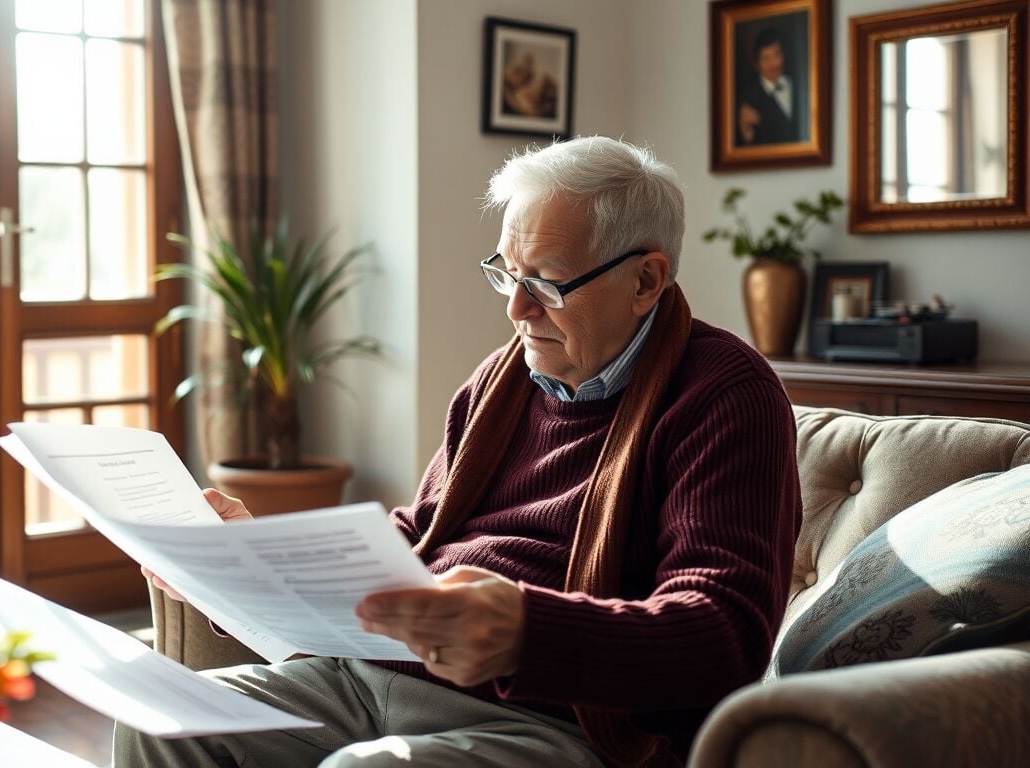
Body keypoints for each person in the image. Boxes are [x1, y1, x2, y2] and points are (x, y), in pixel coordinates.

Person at [117, 136, 801, 767]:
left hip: (554, 721)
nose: (516, 311)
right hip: (369, 678)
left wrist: (526, 634)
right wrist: (259, 561)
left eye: (547, 283)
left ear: (646, 280)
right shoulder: (498, 383)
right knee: (161, 720)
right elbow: (420, 539)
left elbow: (725, 636)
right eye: (507, 274)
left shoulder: (725, 395)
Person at [736, 28, 805, 145]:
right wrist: (745, 129)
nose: (773, 64)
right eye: (765, 58)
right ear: (757, 64)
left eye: (777, 54)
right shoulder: (748, 99)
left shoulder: (801, 85)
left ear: (784, 54)